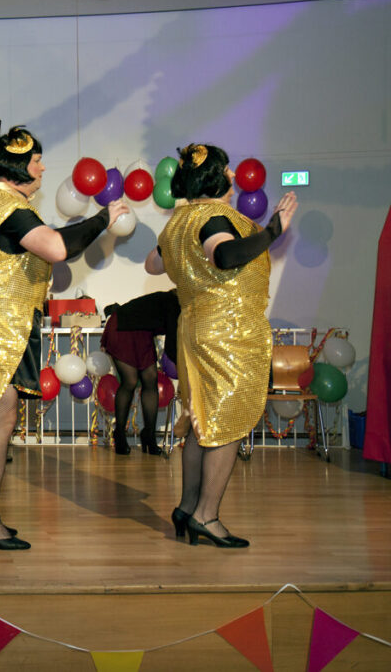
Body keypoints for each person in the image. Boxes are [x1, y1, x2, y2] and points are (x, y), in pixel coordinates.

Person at [0, 126, 126, 550]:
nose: (41, 168)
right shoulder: (10, 209)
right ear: (18, 165)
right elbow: (57, 248)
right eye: (36, 160)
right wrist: (103, 218)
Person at [147, 142, 296, 548]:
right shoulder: (214, 217)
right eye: (226, 168)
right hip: (226, 331)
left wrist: (184, 259)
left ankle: (187, 508)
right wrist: (272, 231)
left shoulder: (179, 221)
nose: (232, 174)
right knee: (227, 423)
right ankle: (206, 516)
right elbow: (225, 257)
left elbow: (153, 264)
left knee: (202, 423)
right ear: (215, 177)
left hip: (194, 327)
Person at [100, 290, 180, 456]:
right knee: (130, 381)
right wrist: (180, 365)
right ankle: (119, 434)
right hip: (122, 327)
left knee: (151, 379)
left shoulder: (175, 302)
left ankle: (149, 435)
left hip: (142, 332)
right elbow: (172, 344)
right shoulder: (174, 303)